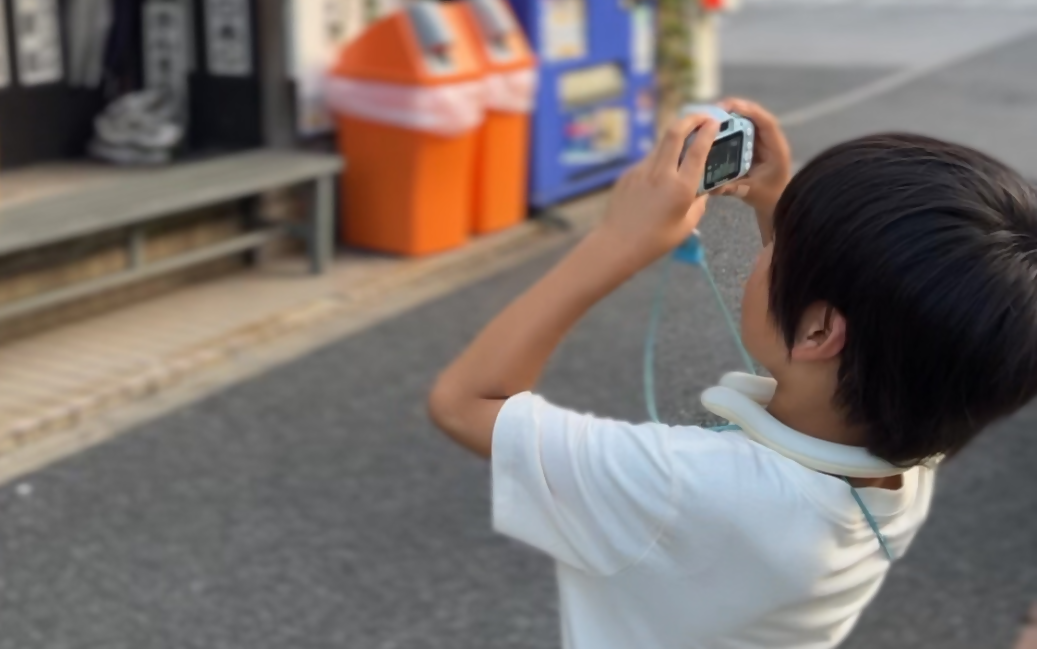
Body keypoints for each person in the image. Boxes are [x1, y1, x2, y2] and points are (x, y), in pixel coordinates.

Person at [428, 99, 1037, 649]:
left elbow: (467, 401)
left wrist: (619, 240)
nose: (761, 252)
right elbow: (820, 348)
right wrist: (778, 200)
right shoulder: (908, 452)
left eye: (778, 248)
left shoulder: (685, 487)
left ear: (822, 332)